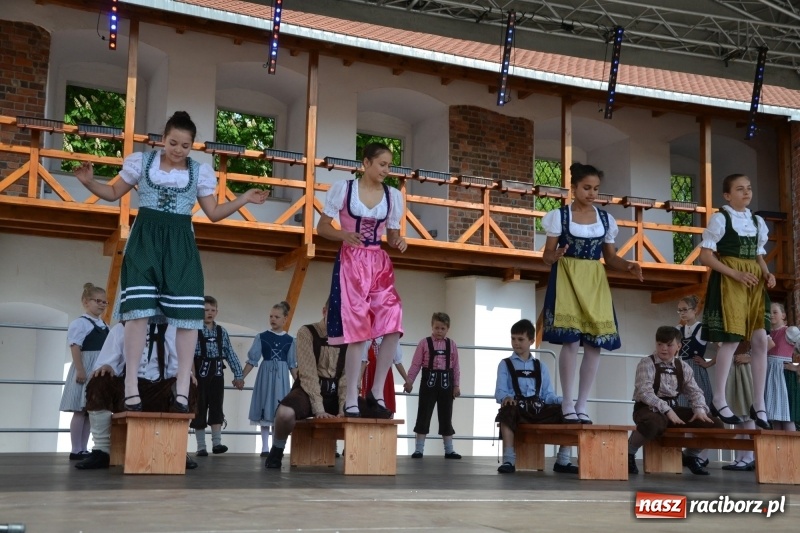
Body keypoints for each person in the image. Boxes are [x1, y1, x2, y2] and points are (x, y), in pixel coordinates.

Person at [73, 111, 268, 416]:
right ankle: (131, 385)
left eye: (185, 145)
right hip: (145, 239)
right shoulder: (142, 162)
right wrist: (88, 182)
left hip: (180, 242)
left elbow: (213, 213)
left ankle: (180, 387)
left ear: (193, 146)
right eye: (173, 142)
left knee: (187, 317)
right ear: (163, 139)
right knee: (137, 314)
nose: (178, 150)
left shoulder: (199, 172)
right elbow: (112, 193)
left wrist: (243, 198)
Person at [541, 163, 643, 424]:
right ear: (573, 188)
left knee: (594, 344)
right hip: (567, 279)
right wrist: (556, 255)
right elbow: (546, 257)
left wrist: (629, 265)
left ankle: (582, 403)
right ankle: (567, 401)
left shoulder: (606, 219)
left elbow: (610, 258)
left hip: (594, 280)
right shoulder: (558, 217)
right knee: (571, 341)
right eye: (586, 188)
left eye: (596, 188)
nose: (592, 193)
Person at [317, 142, 406, 418]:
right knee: (358, 328)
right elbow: (322, 228)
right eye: (382, 164)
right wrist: (344, 235)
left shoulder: (392, 196)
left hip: (378, 263)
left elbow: (391, 237)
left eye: (389, 165)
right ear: (366, 163)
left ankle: (377, 390)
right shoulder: (344, 189)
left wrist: (398, 241)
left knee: (394, 320)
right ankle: (352, 394)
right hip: (351, 262)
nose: (386, 170)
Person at [699, 173, 775, 430]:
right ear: (727, 195)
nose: (746, 193)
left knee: (761, 340)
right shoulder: (721, 218)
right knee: (731, 339)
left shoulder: (757, 221)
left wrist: (766, 272)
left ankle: (759, 403)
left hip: (753, 282)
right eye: (740, 189)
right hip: (730, 280)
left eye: (749, 189)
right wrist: (734, 273)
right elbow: (705, 257)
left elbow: (758, 255)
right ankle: (719, 398)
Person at [75, 322, 198, 470]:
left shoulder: (172, 329)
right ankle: (101, 450)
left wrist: (182, 374)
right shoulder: (120, 328)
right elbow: (107, 361)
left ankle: (178, 449)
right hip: (126, 392)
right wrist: (108, 366)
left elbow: (176, 365)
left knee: (187, 384)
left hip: (159, 389)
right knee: (98, 381)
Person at [627, 326, 721, 476]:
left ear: (679, 346)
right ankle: (629, 453)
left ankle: (690, 456)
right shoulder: (647, 363)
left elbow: (694, 391)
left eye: (669, 345)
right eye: (660, 344)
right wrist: (667, 410)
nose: (664, 349)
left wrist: (699, 409)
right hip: (647, 408)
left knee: (715, 424)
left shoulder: (683, 366)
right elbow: (644, 392)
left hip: (673, 409)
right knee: (654, 424)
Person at [265, 301, 347, 469]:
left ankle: (359, 459)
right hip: (308, 391)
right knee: (284, 413)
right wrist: (319, 408)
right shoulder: (307, 332)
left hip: (336, 394)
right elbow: (308, 374)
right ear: (324, 311)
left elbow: (348, 377)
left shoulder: (349, 338)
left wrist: (343, 408)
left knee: (374, 412)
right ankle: (278, 449)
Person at [495, 319, 579, 475]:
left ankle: (563, 460)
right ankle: (508, 460)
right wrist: (506, 397)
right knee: (506, 412)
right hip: (517, 409)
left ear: (531, 341)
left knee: (568, 413)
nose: (516, 343)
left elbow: (548, 395)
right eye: (513, 338)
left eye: (520, 339)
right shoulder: (505, 364)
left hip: (538, 410)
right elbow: (499, 391)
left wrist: (565, 402)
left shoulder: (540, 366)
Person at [60, 283, 110, 460]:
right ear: (86, 302)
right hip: (86, 367)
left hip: (97, 370)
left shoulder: (105, 325)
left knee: (92, 411)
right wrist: (80, 370)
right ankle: (76, 448)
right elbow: (75, 347)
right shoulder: (80, 323)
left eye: (105, 302)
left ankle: (85, 447)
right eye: (98, 301)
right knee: (80, 410)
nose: (102, 305)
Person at [242, 301, 298, 456]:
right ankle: (265, 447)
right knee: (265, 405)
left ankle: (276, 446)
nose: (273, 319)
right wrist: (241, 377)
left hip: (281, 378)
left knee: (278, 408)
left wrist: (299, 384)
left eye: (277, 316)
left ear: (285, 319)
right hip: (265, 376)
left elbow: (293, 364)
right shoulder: (262, 337)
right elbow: (252, 360)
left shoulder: (290, 340)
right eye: (271, 316)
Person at [192, 296, 245, 457]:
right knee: (198, 408)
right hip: (198, 375)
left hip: (217, 374)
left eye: (212, 310)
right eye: (206, 310)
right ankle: (201, 446)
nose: (209, 313)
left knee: (216, 407)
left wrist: (238, 374)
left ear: (217, 312)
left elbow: (230, 353)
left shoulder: (222, 331)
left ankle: (217, 443)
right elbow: (187, 355)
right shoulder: (194, 329)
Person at [406, 312, 462, 459]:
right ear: (432, 326)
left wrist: (456, 385)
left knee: (446, 415)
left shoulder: (452, 345)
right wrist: (409, 381)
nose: (439, 331)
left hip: (446, 382)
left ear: (447, 329)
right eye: (436, 327)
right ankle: (419, 449)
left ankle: (449, 450)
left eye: (442, 328)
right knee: (423, 413)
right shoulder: (424, 343)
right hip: (428, 381)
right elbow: (416, 364)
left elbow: (455, 367)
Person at [676, 295, 714, 408]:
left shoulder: (703, 329)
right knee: (682, 405)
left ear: (695, 310)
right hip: (681, 369)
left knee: (699, 403)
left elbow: (722, 347)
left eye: (685, 309)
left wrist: (708, 363)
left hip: (696, 370)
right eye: (679, 310)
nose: (682, 313)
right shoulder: (678, 329)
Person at [359, 336, 410, 416]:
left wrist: (407, 380)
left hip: (386, 377)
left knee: (387, 403)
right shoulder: (368, 339)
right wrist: (358, 382)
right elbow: (363, 362)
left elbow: (398, 362)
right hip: (370, 376)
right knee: (369, 408)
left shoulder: (391, 339)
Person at [764, 303, 796, 431]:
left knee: (786, 417)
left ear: (783, 315)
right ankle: (779, 450)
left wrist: (796, 367)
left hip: (782, 375)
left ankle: (793, 450)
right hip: (770, 374)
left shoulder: (790, 331)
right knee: (775, 418)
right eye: (769, 312)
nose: (771, 315)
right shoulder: (768, 334)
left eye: (775, 312)